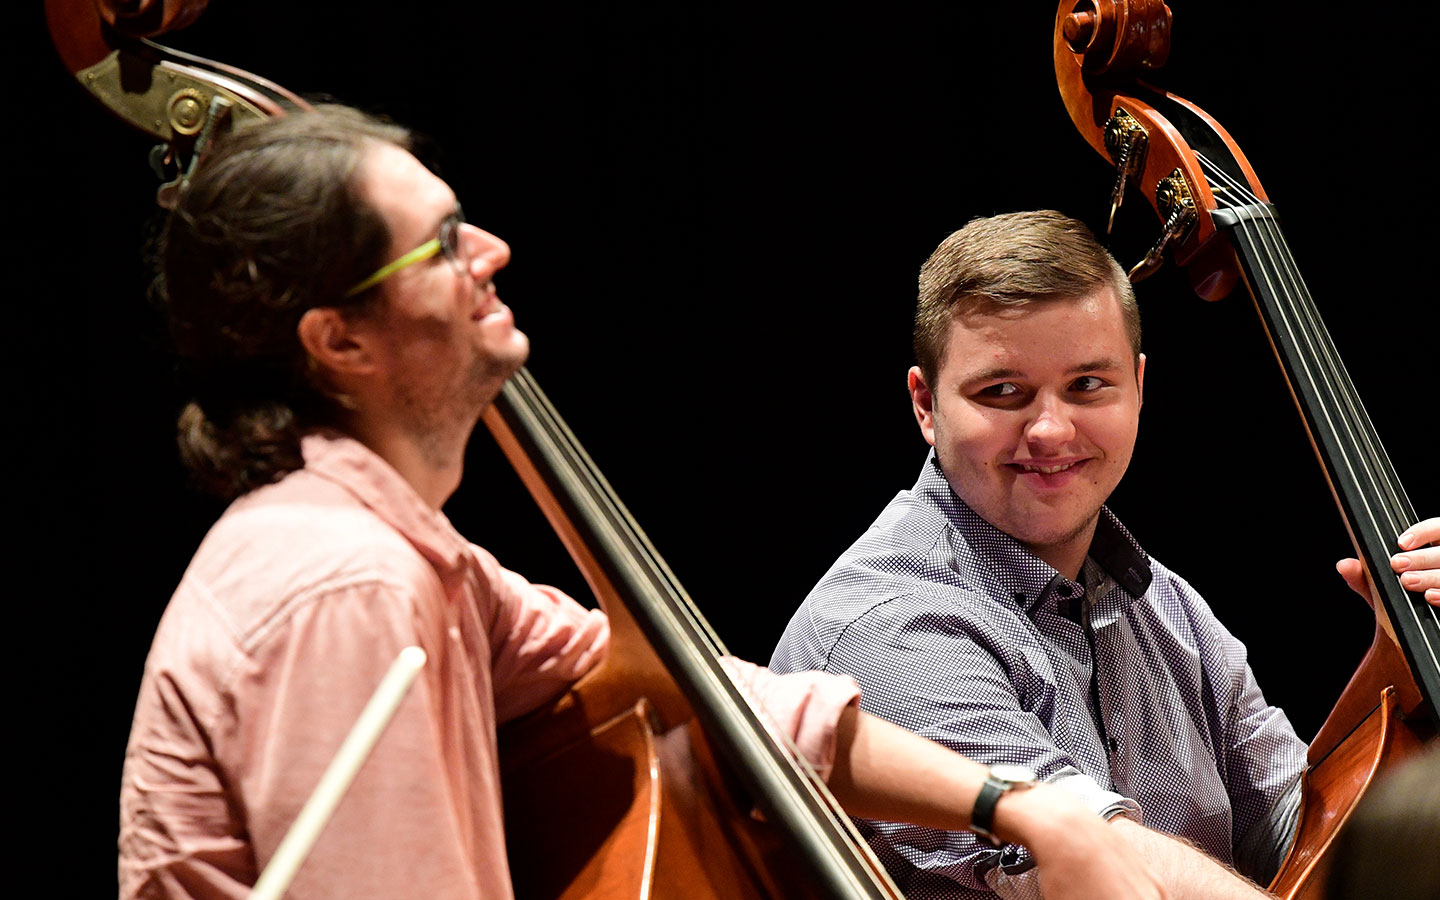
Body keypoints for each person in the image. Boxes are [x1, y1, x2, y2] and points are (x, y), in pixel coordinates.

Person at [118, 109, 1168, 900]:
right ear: (337, 342)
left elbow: (700, 695)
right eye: (439, 243)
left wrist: (1019, 803)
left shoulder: (408, 558)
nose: (490, 252)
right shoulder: (343, 585)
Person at [771, 210, 1440, 900]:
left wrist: (1406, 663)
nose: (1051, 428)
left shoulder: (1169, 608)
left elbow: (1307, 838)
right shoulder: (886, 623)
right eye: (1003, 392)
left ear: (1140, 388)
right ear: (925, 405)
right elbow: (1092, 861)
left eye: (1088, 385)